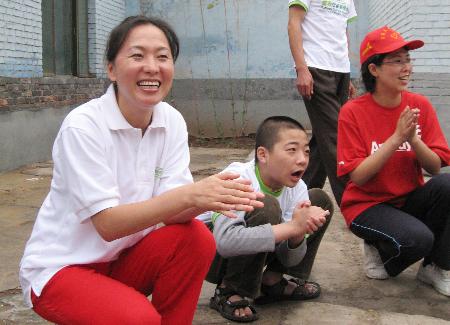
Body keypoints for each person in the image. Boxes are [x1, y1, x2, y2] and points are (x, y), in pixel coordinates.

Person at [19, 16, 264, 325]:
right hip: (61, 270)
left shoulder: (171, 121)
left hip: (119, 261)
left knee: (197, 239)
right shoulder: (84, 127)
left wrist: (207, 198)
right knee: (138, 319)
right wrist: (191, 194)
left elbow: (174, 212)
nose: (152, 67)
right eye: (137, 55)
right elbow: (108, 224)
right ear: (111, 69)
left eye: (162, 57)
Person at [337, 26, 450, 296]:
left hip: (409, 199)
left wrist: (414, 140)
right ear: (374, 70)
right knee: (419, 239)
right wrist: (396, 138)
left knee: (448, 185)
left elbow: (434, 167)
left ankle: (435, 267)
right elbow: (358, 177)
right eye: (396, 61)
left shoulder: (419, 105)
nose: (406, 67)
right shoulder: (352, 112)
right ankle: (381, 253)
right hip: (367, 205)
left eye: (407, 59)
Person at [197, 116, 333, 322]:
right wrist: (294, 227)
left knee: (319, 201)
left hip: (245, 244)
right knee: (266, 204)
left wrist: (298, 234)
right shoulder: (239, 179)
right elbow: (225, 242)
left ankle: (272, 282)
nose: (302, 159)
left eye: (306, 151)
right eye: (291, 150)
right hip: (207, 254)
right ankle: (229, 290)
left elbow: (290, 258)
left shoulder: (298, 189)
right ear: (263, 154)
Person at [288, 0, 357, 205]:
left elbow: (342, 31)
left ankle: (300, 195)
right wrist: (301, 68)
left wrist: (347, 72)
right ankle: (354, 203)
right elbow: (293, 24)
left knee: (322, 139)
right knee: (337, 137)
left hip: (340, 71)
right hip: (315, 66)